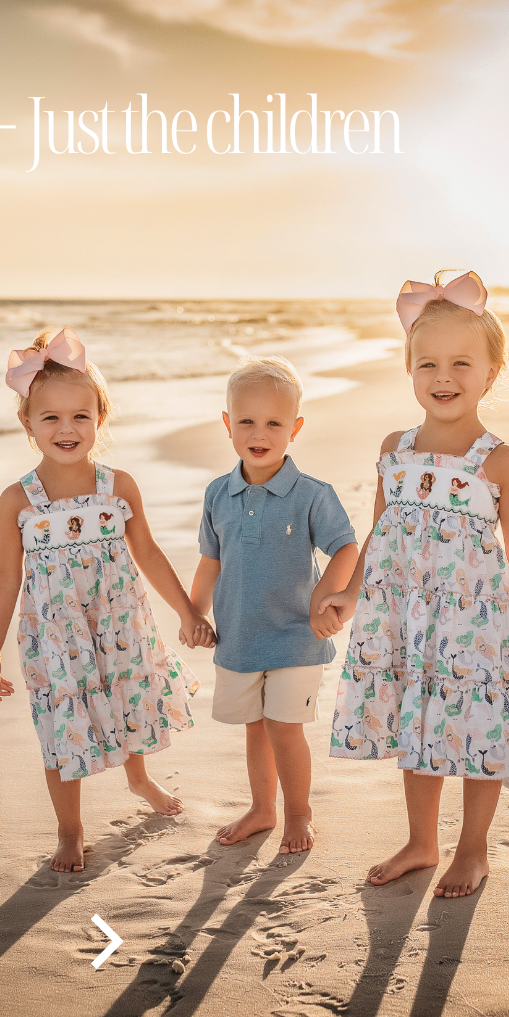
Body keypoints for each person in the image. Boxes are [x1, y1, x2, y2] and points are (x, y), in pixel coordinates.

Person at [320, 271, 509, 898]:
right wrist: (351, 595)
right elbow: (379, 533)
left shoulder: (499, 460)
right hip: (405, 615)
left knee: (477, 726)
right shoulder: (394, 450)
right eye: (427, 363)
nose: (444, 376)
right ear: (408, 370)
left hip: (474, 621)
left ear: (492, 371)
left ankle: (473, 849)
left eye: (462, 363)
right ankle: (421, 839)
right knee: (419, 721)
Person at [0, 327, 216, 873]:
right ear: (28, 423)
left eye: (80, 416)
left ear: (100, 419)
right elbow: (3, 580)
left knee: (128, 700)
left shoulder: (119, 487)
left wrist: (187, 611)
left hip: (119, 622)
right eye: (51, 418)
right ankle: (71, 828)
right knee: (62, 725)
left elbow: (150, 556)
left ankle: (138, 778)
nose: (67, 429)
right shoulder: (19, 500)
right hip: (57, 636)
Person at [190, 356, 358, 854]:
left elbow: (346, 547)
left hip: (295, 638)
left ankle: (298, 814)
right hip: (240, 637)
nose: (258, 433)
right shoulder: (218, 494)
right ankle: (262, 809)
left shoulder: (310, 495)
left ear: (295, 429)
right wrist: (195, 612)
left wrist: (325, 598)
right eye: (246, 421)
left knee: (285, 729)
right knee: (256, 731)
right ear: (227, 425)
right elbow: (209, 562)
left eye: (273, 423)